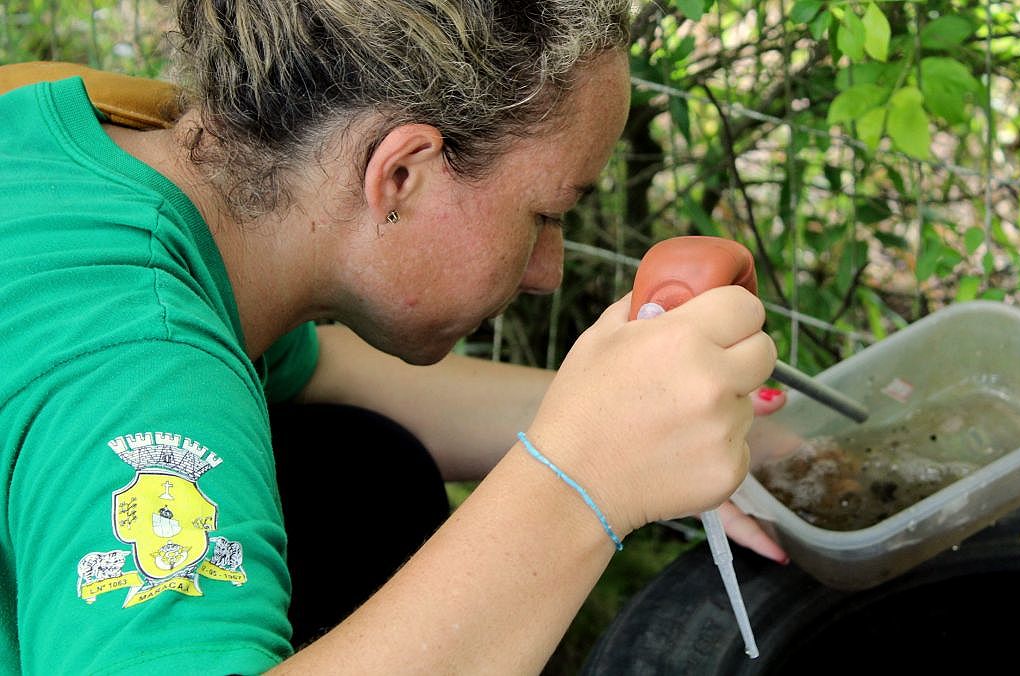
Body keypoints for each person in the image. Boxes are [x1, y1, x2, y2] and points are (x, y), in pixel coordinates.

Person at [0, 1, 791, 673]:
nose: (548, 268)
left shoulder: (105, 148)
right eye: (545, 214)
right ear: (401, 175)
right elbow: (155, 370)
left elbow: (321, 374)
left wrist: (652, 426)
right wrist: (580, 487)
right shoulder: (136, 352)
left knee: (365, 465)